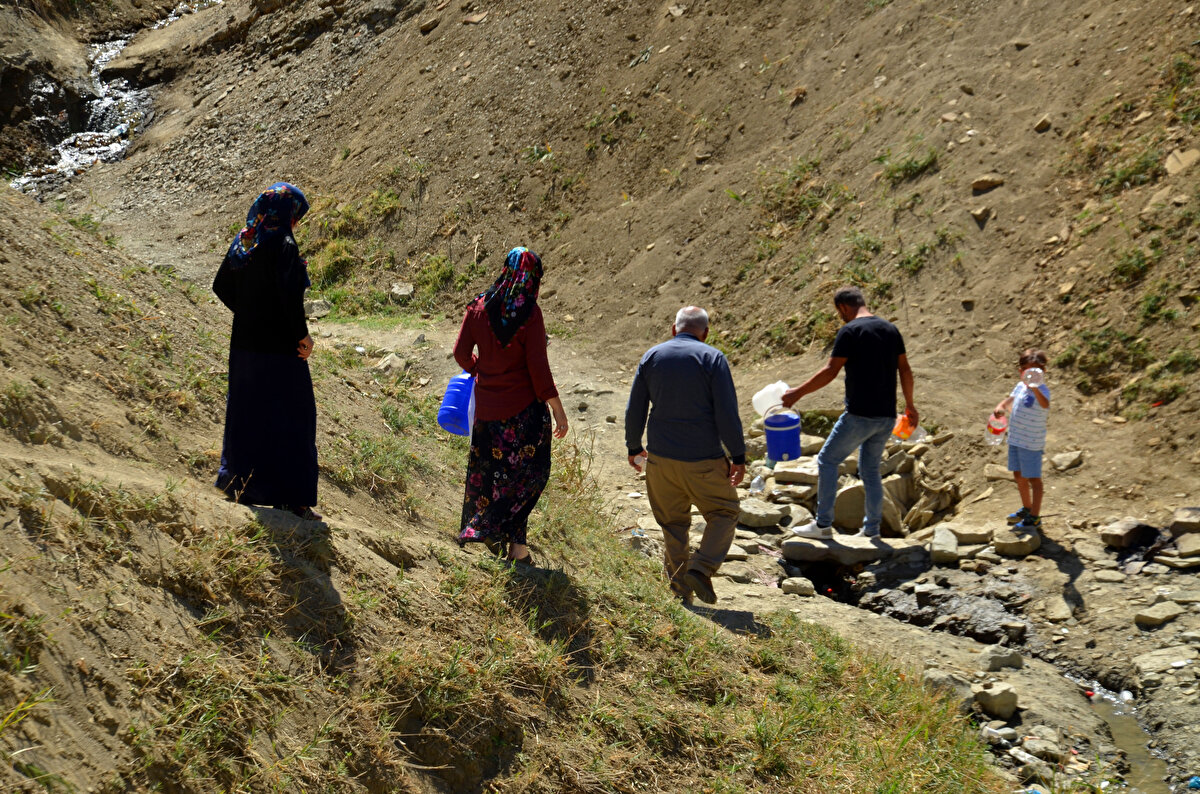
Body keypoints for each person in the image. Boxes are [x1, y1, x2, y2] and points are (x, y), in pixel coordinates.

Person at [454, 247, 569, 565]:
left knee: (498, 477)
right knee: (530, 476)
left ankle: (519, 551)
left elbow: (461, 353)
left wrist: (480, 368)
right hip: (523, 416)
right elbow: (539, 370)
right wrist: (558, 411)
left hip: (487, 413)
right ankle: (487, 526)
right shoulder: (529, 314)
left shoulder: (478, 306)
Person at [212, 182, 320, 520]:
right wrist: (303, 337)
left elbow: (221, 285)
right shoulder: (284, 244)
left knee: (248, 414)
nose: (298, 223)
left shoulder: (246, 239)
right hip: (279, 351)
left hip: (244, 346)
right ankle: (292, 499)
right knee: (294, 418)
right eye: (298, 215)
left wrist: (250, 313)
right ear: (289, 213)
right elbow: (290, 299)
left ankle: (240, 487)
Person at [625, 306, 746, 605]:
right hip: (704, 459)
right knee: (725, 512)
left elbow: (635, 408)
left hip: (660, 460)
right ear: (705, 333)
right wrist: (739, 456)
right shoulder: (712, 358)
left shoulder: (652, 356)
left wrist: (633, 447)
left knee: (674, 525)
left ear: (673, 329)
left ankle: (681, 592)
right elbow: (727, 413)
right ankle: (702, 568)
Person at [781, 286, 916, 539]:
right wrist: (910, 405)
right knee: (870, 470)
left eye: (839, 312)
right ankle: (872, 530)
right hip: (887, 416)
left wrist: (797, 392)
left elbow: (831, 371)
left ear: (843, 307)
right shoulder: (890, 329)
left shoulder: (850, 331)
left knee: (827, 460)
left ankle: (822, 526)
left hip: (859, 415)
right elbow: (905, 370)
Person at [990, 349, 1051, 532]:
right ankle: (1027, 508)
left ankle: (1035, 517)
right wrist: (1001, 407)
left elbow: (1045, 404)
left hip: (1031, 443)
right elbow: (1011, 399)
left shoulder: (1043, 390)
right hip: (1016, 438)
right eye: (1026, 371)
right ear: (1020, 372)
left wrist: (1034, 387)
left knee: (1034, 479)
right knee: (1018, 475)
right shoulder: (1019, 386)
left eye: (1035, 371)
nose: (1030, 375)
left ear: (1042, 372)